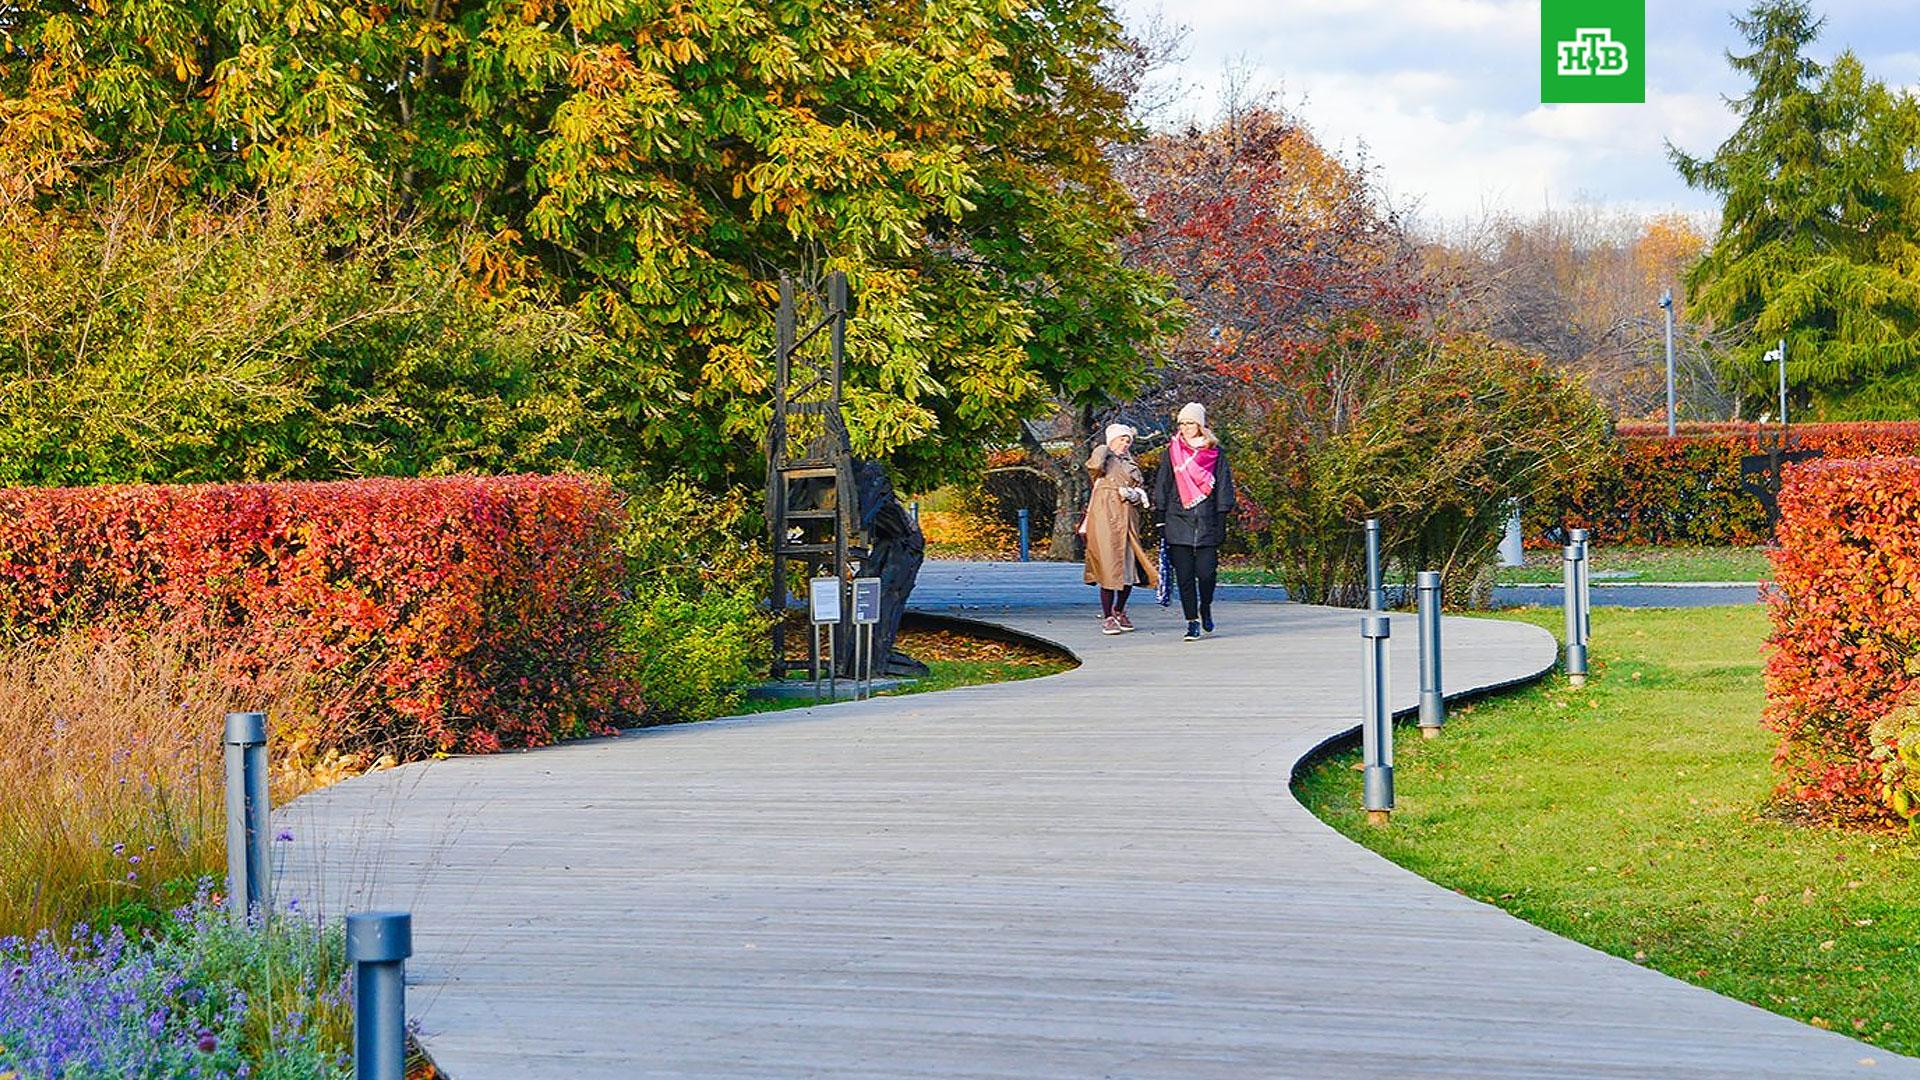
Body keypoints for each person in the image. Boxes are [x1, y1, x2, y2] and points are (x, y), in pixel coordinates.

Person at [1154, 402, 1236, 641]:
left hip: (1207, 521)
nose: (1186, 427)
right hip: (1177, 521)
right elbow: (1163, 484)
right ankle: (1191, 621)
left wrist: (1222, 518)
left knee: (1207, 573)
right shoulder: (1171, 452)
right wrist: (1160, 518)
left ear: (1200, 424)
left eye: (1190, 422)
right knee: (1185, 576)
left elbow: (1223, 486)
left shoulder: (1215, 453)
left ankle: (1206, 606)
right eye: (1182, 423)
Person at [1083, 423, 1157, 635]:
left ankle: (1119, 609)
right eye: (1121, 439)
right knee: (1108, 566)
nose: (1124, 444)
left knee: (1129, 568)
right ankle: (1107, 615)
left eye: (1127, 440)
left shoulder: (1131, 463)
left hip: (1128, 520)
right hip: (1106, 520)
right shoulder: (1104, 460)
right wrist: (1104, 448)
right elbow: (1094, 465)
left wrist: (1136, 494)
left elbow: (1138, 487)